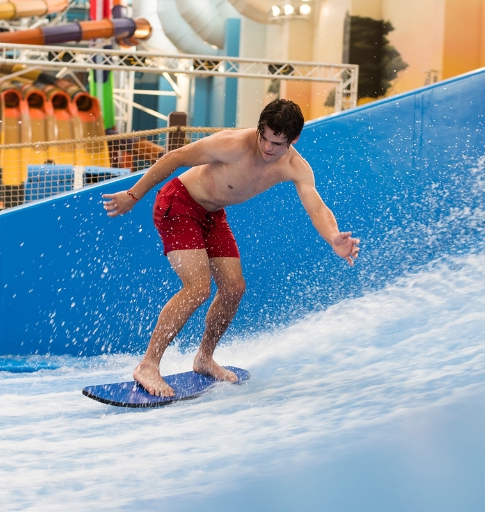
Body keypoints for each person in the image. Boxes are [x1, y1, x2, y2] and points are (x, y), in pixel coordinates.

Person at [102, 99, 360, 396]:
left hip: (212, 215)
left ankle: (204, 358)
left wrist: (333, 237)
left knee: (234, 288)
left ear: (293, 140)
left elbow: (316, 206)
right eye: (263, 136)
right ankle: (148, 365)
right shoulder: (233, 144)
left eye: (277, 143)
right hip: (179, 203)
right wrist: (134, 195)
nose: (266, 147)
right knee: (198, 288)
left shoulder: (294, 166)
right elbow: (176, 158)